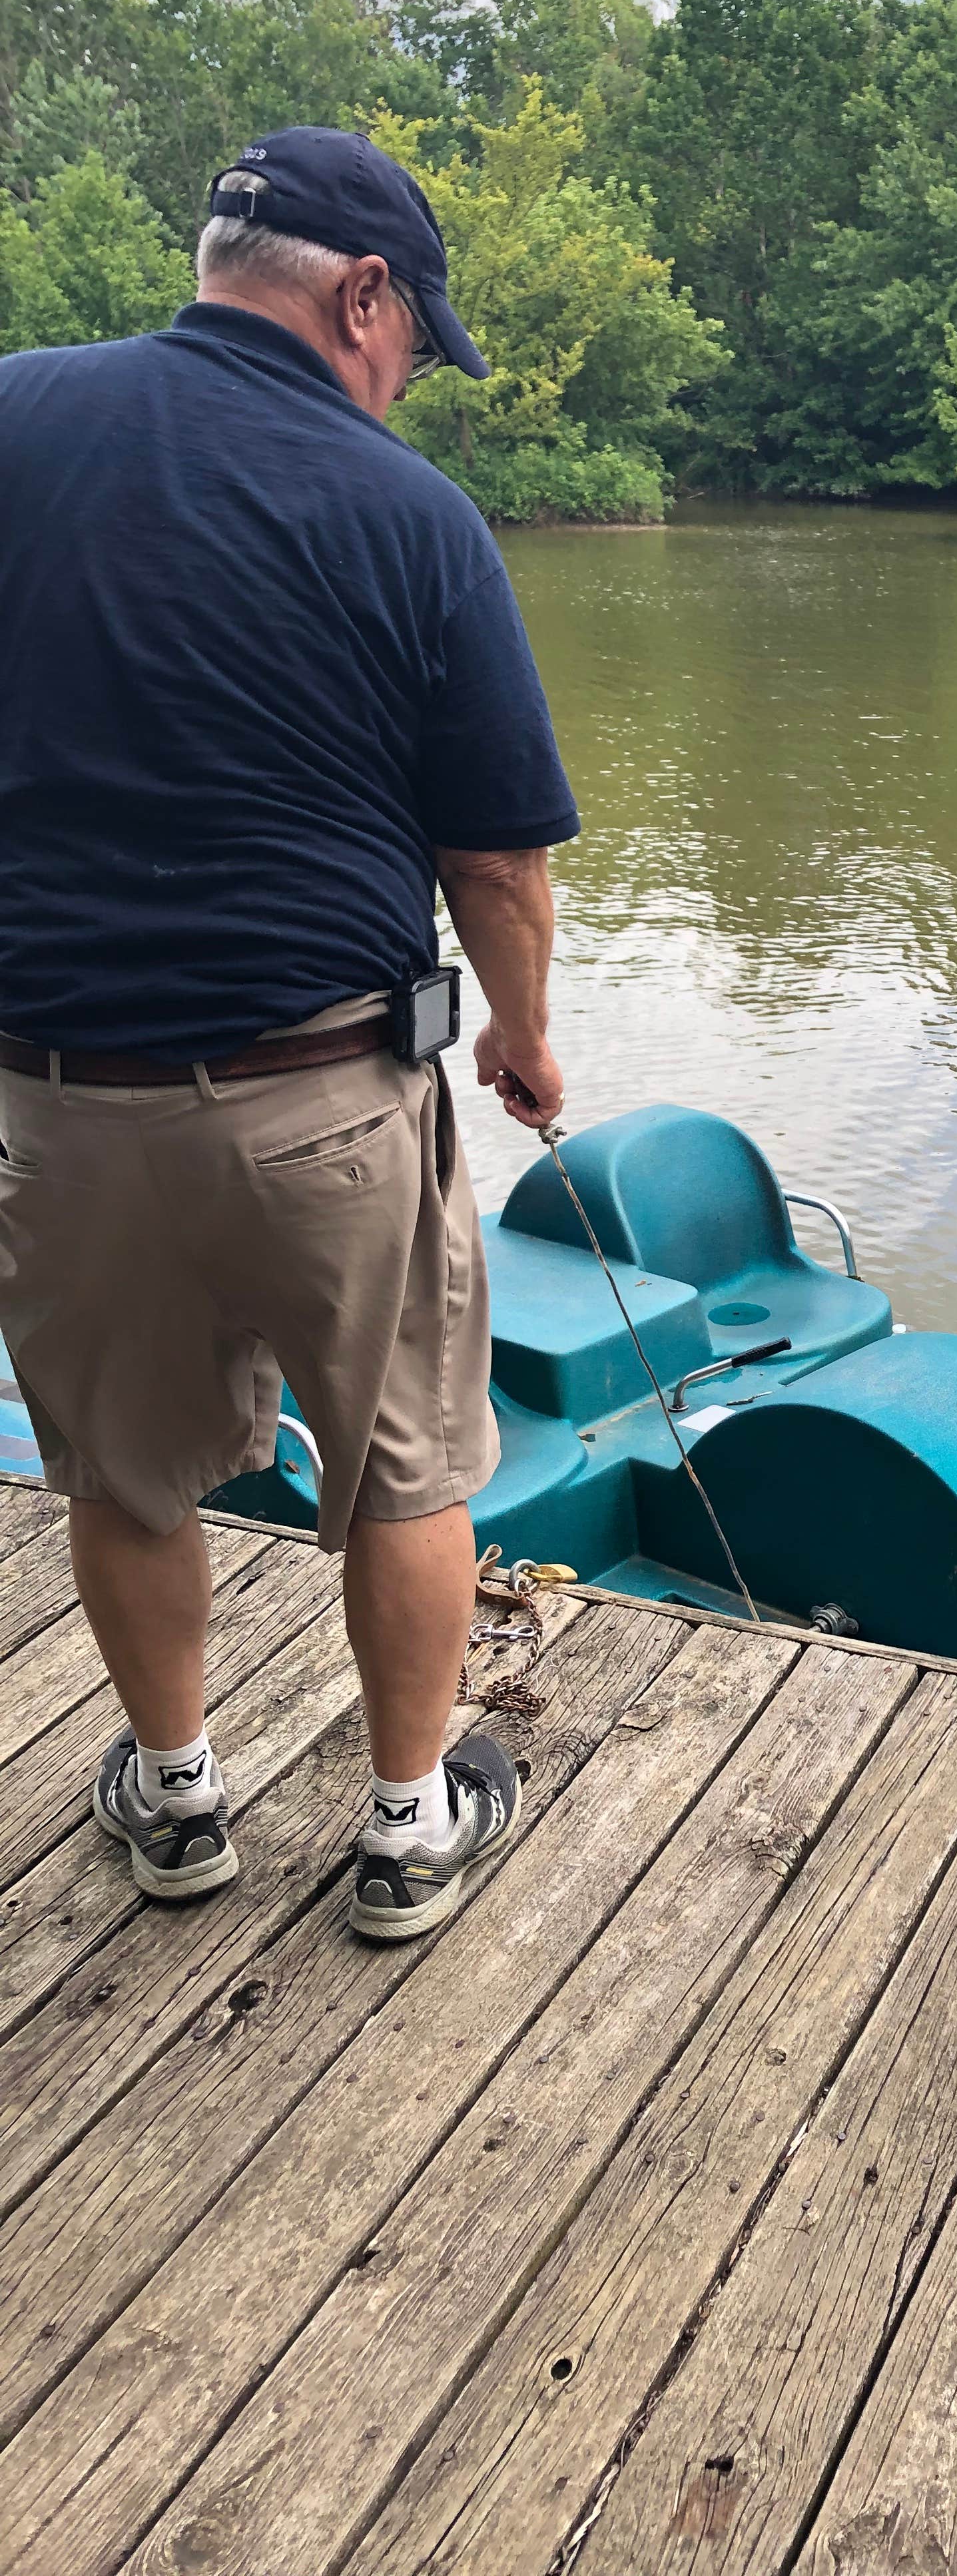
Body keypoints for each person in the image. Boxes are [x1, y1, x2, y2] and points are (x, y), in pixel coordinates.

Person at [0, 127, 578, 1943]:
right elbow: (493, 859)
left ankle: (176, 1804)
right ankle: (409, 1832)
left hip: (53, 1092)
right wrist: (523, 1044)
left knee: (122, 1463)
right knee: (407, 1462)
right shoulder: (409, 514)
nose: (403, 386)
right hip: (325, 1094)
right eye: (413, 350)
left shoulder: (12, 422)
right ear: (363, 294)